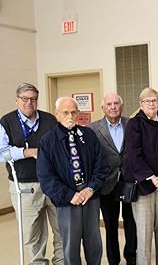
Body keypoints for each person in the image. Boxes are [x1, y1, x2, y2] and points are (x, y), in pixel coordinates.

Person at [37, 97, 108, 265]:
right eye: (66, 112)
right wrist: (70, 195)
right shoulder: (47, 141)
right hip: (67, 201)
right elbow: (46, 177)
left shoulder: (89, 135)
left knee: (94, 242)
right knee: (70, 244)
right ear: (57, 114)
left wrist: (90, 189)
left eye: (74, 112)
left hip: (90, 197)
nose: (70, 116)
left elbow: (101, 166)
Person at [0, 83, 63, 265]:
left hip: (53, 183)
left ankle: (61, 261)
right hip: (25, 186)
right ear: (17, 100)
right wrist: (27, 152)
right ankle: (38, 263)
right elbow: (2, 152)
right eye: (25, 99)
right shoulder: (7, 121)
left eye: (33, 99)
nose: (29, 102)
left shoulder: (50, 120)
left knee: (62, 227)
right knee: (32, 232)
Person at [125, 88, 158, 265]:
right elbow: (133, 155)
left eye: (154, 100)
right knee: (145, 232)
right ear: (141, 104)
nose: (151, 104)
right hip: (144, 187)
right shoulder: (134, 124)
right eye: (147, 101)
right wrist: (151, 177)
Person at [87, 92, 137, 265]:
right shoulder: (93, 129)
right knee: (110, 226)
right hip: (106, 184)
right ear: (103, 108)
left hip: (129, 182)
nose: (113, 107)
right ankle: (113, 260)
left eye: (116, 103)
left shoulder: (131, 124)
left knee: (131, 224)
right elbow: (91, 157)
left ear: (121, 106)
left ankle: (131, 257)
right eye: (109, 104)